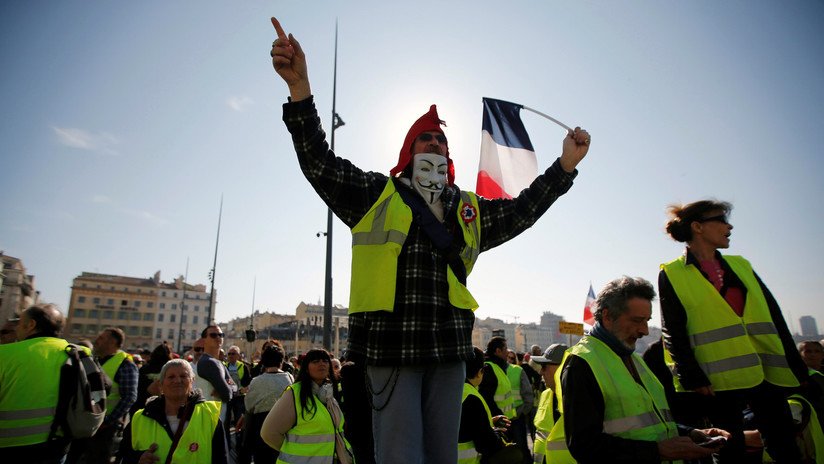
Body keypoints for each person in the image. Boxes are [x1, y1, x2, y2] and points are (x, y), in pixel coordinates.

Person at [269, 16, 590, 463]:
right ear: (409, 152)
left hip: (448, 351)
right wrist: (300, 89)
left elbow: (522, 210)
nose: (435, 143)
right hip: (391, 348)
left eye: (441, 140)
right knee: (400, 454)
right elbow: (319, 162)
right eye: (425, 138)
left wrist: (565, 166)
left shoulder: (468, 209)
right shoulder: (376, 193)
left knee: (443, 454)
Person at [659, 200, 807, 462]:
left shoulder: (741, 265)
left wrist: (795, 362)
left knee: (784, 445)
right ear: (698, 227)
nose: (730, 227)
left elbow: (774, 316)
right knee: (729, 451)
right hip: (718, 381)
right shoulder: (672, 273)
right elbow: (673, 330)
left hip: (765, 373)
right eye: (722, 219)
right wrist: (691, 375)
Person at [559, 276, 729, 463]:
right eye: (637, 320)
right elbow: (584, 445)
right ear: (607, 316)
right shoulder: (581, 363)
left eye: (647, 320)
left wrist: (690, 433)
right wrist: (657, 451)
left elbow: (651, 424)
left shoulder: (635, 358)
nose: (645, 330)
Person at [0, 304, 74, 463]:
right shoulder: (78, 354)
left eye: (20, 323)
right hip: (58, 445)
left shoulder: (4, 354)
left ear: (31, 325)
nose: (16, 328)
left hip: (9, 446)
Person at [119, 358, 228, 464]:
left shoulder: (209, 416)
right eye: (171, 377)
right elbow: (123, 455)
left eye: (183, 376)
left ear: (192, 381)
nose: (177, 381)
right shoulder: (140, 418)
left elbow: (221, 459)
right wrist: (138, 458)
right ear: (161, 384)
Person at [260, 348, 352, 463]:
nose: (321, 364)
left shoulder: (329, 394)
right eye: (315, 361)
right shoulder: (294, 393)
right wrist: (292, 450)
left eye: (325, 361)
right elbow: (268, 433)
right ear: (306, 368)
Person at [69, 327, 139, 464]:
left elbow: (130, 397)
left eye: (101, 338)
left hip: (104, 429)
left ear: (112, 343)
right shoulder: (93, 359)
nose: (97, 340)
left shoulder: (125, 364)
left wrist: (107, 421)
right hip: (82, 422)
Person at [459, 347, 511, 463]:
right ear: (479, 372)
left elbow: (463, 425)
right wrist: (497, 435)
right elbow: (486, 443)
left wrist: (489, 422)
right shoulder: (471, 398)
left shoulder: (449, 390)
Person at [244, 344, 293, 464]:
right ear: (281, 361)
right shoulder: (290, 378)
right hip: (285, 426)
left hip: (261, 427)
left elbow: (249, 406)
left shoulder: (256, 381)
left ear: (264, 362)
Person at [530, 343, 567, 464]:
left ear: (562, 368)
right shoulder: (546, 394)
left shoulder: (581, 398)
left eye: (544, 367)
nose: (541, 372)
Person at [195, 325, 235, 425]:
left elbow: (234, 387)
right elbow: (227, 394)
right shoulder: (209, 362)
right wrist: (227, 388)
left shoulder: (219, 363)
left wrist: (228, 387)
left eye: (221, 335)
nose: (218, 337)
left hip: (215, 418)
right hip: (210, 419)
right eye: (213, 335)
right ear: (204, 340)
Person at [131, 342, 173, 416]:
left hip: (142, 406)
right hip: (164, 409)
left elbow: (136, 389)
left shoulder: (144, 369)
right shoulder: (170, 371)